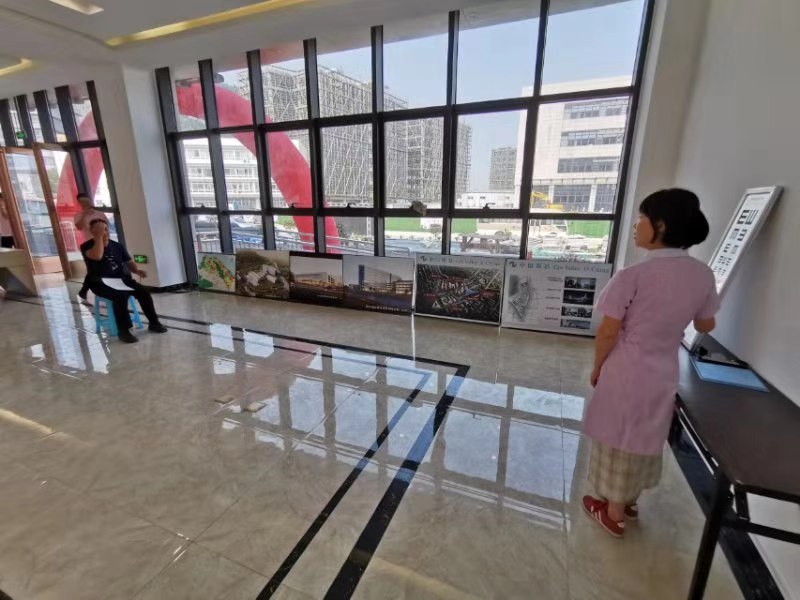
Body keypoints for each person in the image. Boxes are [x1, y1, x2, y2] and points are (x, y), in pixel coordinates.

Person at [582, 188, 720, 538]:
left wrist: (598, 367)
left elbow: (608, 331)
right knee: (645, 434)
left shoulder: (632, 276)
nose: (635, 225)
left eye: (641, 218)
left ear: (660, 226)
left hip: (627, 369)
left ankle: (613, 513)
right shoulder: (703, 274)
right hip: (664, 370)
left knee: (617, 437)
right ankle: (629, 500)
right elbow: (706, 324)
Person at [81, 219, 167, 343]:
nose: (104, 232)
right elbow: (98, 256)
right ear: (92, 231)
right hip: (100, 283)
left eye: (105, 229)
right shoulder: (86, 246)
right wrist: (99, 237)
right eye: (100, 229)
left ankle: (154, 322)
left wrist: (136, 271)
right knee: (120, 296)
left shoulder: (117, 246)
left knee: (143, 292)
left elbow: (129, 262)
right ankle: (124, 331)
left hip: (121, 280)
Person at [74, 192, 109, 301]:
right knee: (92, 268)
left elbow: (106, 227)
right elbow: (79, 227)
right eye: (82, 202)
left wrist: (107, 241)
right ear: (79, 203)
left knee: (99, 267)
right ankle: (85, 291)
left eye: (86, 201)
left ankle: (84, 291)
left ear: (90, 200)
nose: (85, 203)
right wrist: (84, 214)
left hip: (102, 242)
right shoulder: (78, 215)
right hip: (88, 244)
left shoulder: (100, 214)